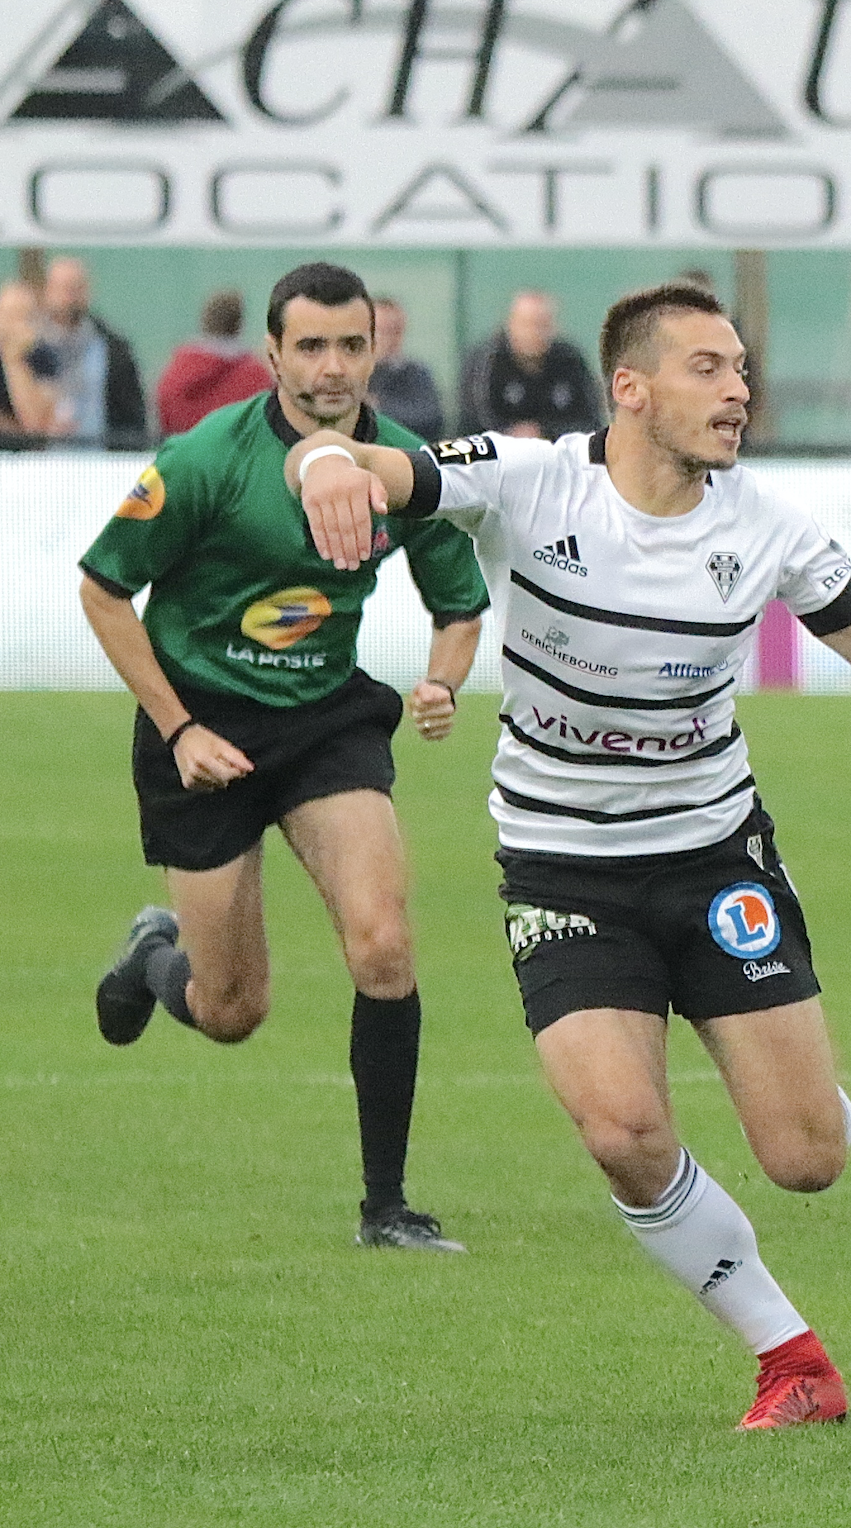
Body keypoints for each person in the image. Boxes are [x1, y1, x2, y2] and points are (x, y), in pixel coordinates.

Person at [281, 281, 851, 1429]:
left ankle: (800, 1083)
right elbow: (358, 461)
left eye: (742, 370)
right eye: (708, 369)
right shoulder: (528, 479)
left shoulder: (766, 525)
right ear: (630, 387)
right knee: (623, 1131)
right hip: (562, 869)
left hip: (715, 857)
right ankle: (791, 1357)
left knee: (808, 1158)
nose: (738, 390)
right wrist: (327, 464)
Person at [80, 261, 488, 1254]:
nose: (331, 366)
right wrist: (179, 729)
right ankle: (156, 954)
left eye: (351, 345)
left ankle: (386, 1207)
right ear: (271, 354)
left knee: (383, 943)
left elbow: (461, 606)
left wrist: (442, 680)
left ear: (375, 351)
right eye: (310, 346)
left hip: (323, 724)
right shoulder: (205, 459)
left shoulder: (402, 466)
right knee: (231, 1011)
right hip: (203, 727)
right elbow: (102, 590)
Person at [459, 290, 601, 439]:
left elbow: (590, 423)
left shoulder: (570, 360)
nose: (534, 333)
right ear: (510, 324)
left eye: (542, 324)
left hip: (557, 450)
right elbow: (473, 423)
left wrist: (544, 433)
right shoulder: (486, 362)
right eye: (526, 324)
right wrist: (511, 437)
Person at [40, 256, 149, 446]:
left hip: (99, 456)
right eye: (63, 288)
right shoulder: (28, 349)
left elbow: (132, 414)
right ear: (47, 291)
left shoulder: (114, 350)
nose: (70, 297)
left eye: (77, 287)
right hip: (36, 458)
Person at [155, 290, 272, 437]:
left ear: (204, 319)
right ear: (239, 323)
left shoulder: (178, 370)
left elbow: (165, 413)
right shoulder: (256, 376)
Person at [369, 297, 445, 441]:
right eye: (383, 331)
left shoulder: (415, 372)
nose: (390, 339)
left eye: (396, 331)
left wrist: (378, 406)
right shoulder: (355, 373)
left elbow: (431, 417)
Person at [1, 279, 64, 440]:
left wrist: (14, 362)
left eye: (23, 316)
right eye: (9, 315)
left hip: (27, 452)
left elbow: (36, 424)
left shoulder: (44, 358)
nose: (14, 325)